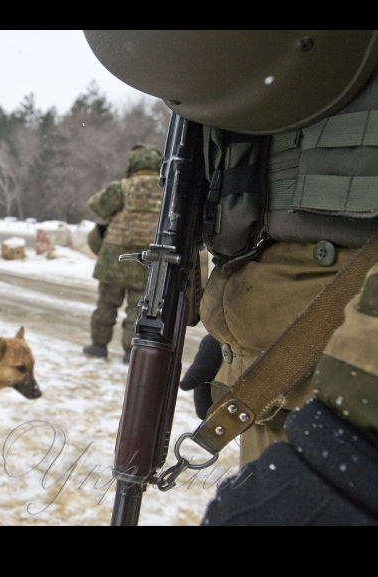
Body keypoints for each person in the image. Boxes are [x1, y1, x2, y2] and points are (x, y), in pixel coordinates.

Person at [83, 30, 378, 524]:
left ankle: (99, 343)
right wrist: (235, 332)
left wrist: (358, 443)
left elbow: (98, 215)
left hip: (349, 384)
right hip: (278, 370)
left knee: (109, 305)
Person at [83, 144, 163, 364]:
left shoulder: (122, 187)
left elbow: (97, 206)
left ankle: (99, 346)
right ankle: (131, 351)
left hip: (115, 257)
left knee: (107, 304)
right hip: (148, 259)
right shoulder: (167, 189)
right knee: (138, 307)